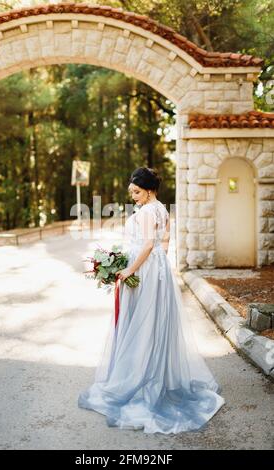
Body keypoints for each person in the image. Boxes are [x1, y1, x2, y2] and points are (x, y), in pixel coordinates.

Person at [78, 167, 225, 434]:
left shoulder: (147, 212)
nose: (133, 196)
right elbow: (164, 242)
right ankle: (155, 371)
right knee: (154, 322)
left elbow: (146, 245)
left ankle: (140, 375)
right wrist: (159, 264)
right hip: (157, 272)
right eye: (131, 192)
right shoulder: (162, 210)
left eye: (136, 191)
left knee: (141, 323)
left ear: (148, 189)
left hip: (144, 270)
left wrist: (129, 270)